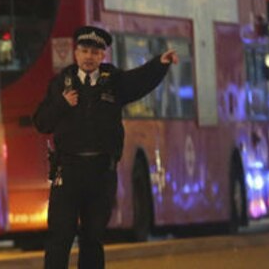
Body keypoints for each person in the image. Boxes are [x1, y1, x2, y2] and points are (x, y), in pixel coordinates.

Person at [34, 25, 179, 269]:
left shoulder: (113, 81)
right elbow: (41, 122)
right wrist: (62, 103)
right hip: (68, 170)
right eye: (84, 51)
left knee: (93, 238)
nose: (89, 57)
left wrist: (160, 64)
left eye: (95, 52)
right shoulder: (61, 83)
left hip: (101, 172)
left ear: (103, 56)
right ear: (76, 53)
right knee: (60, 237)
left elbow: (139, 80)